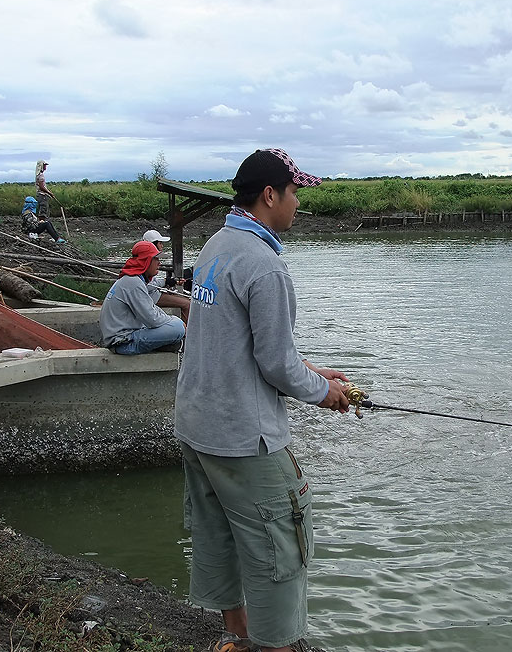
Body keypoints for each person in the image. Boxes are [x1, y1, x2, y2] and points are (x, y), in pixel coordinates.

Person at [174, 148, 351, 652]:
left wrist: (310, 368)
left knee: (219, 534)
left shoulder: (216, 245)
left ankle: (234, 637)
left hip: (197, 424)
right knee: (282, 545)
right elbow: (276, 365)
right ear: (269, 195)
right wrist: (326, 393)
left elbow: (241, 343)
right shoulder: (266, 266)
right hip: (242, 436)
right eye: (294, 192)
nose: (298, 203)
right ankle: (273, 646)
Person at [99, 241, 185, 354]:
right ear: (146, 261)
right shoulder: (133, 283)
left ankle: (169, 344)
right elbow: (152, 319)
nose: (159, 263)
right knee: (177, 328)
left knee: (175, 326)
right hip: (123, 342)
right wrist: (176, 321)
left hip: (123, 337)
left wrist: (171, 319)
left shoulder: (131, 280)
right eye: (156, 259)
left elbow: (151, 309)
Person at [141, 229, 190, 324]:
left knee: (186, 299)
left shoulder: (144, 258)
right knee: (187, 304)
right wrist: (166, 281)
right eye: (160, 243)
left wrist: (171, 281)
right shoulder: (148, 260)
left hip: (154, 293)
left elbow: (152, 281)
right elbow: (147, 286)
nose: (162, 246)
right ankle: (187, 334)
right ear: (153, 244)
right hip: (151, 296)